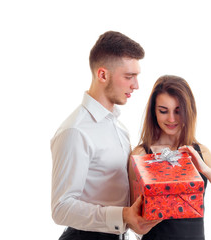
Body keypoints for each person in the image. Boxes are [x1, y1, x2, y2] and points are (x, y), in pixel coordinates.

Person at [51, 31, 161, 240]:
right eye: (129, 77)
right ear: (103, 75)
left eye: (136, 77)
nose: (135, 85)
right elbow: (61, 208)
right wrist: (122, 215)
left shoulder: (119, 128)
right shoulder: (75, 131)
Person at [128, 75, 211, 240]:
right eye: (163, 111)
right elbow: (135, 223)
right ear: (154, 112)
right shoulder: (141, 155)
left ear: (188, 111)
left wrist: (204, 169)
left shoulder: (201, 152)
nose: (171, 119)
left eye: (178, 111)